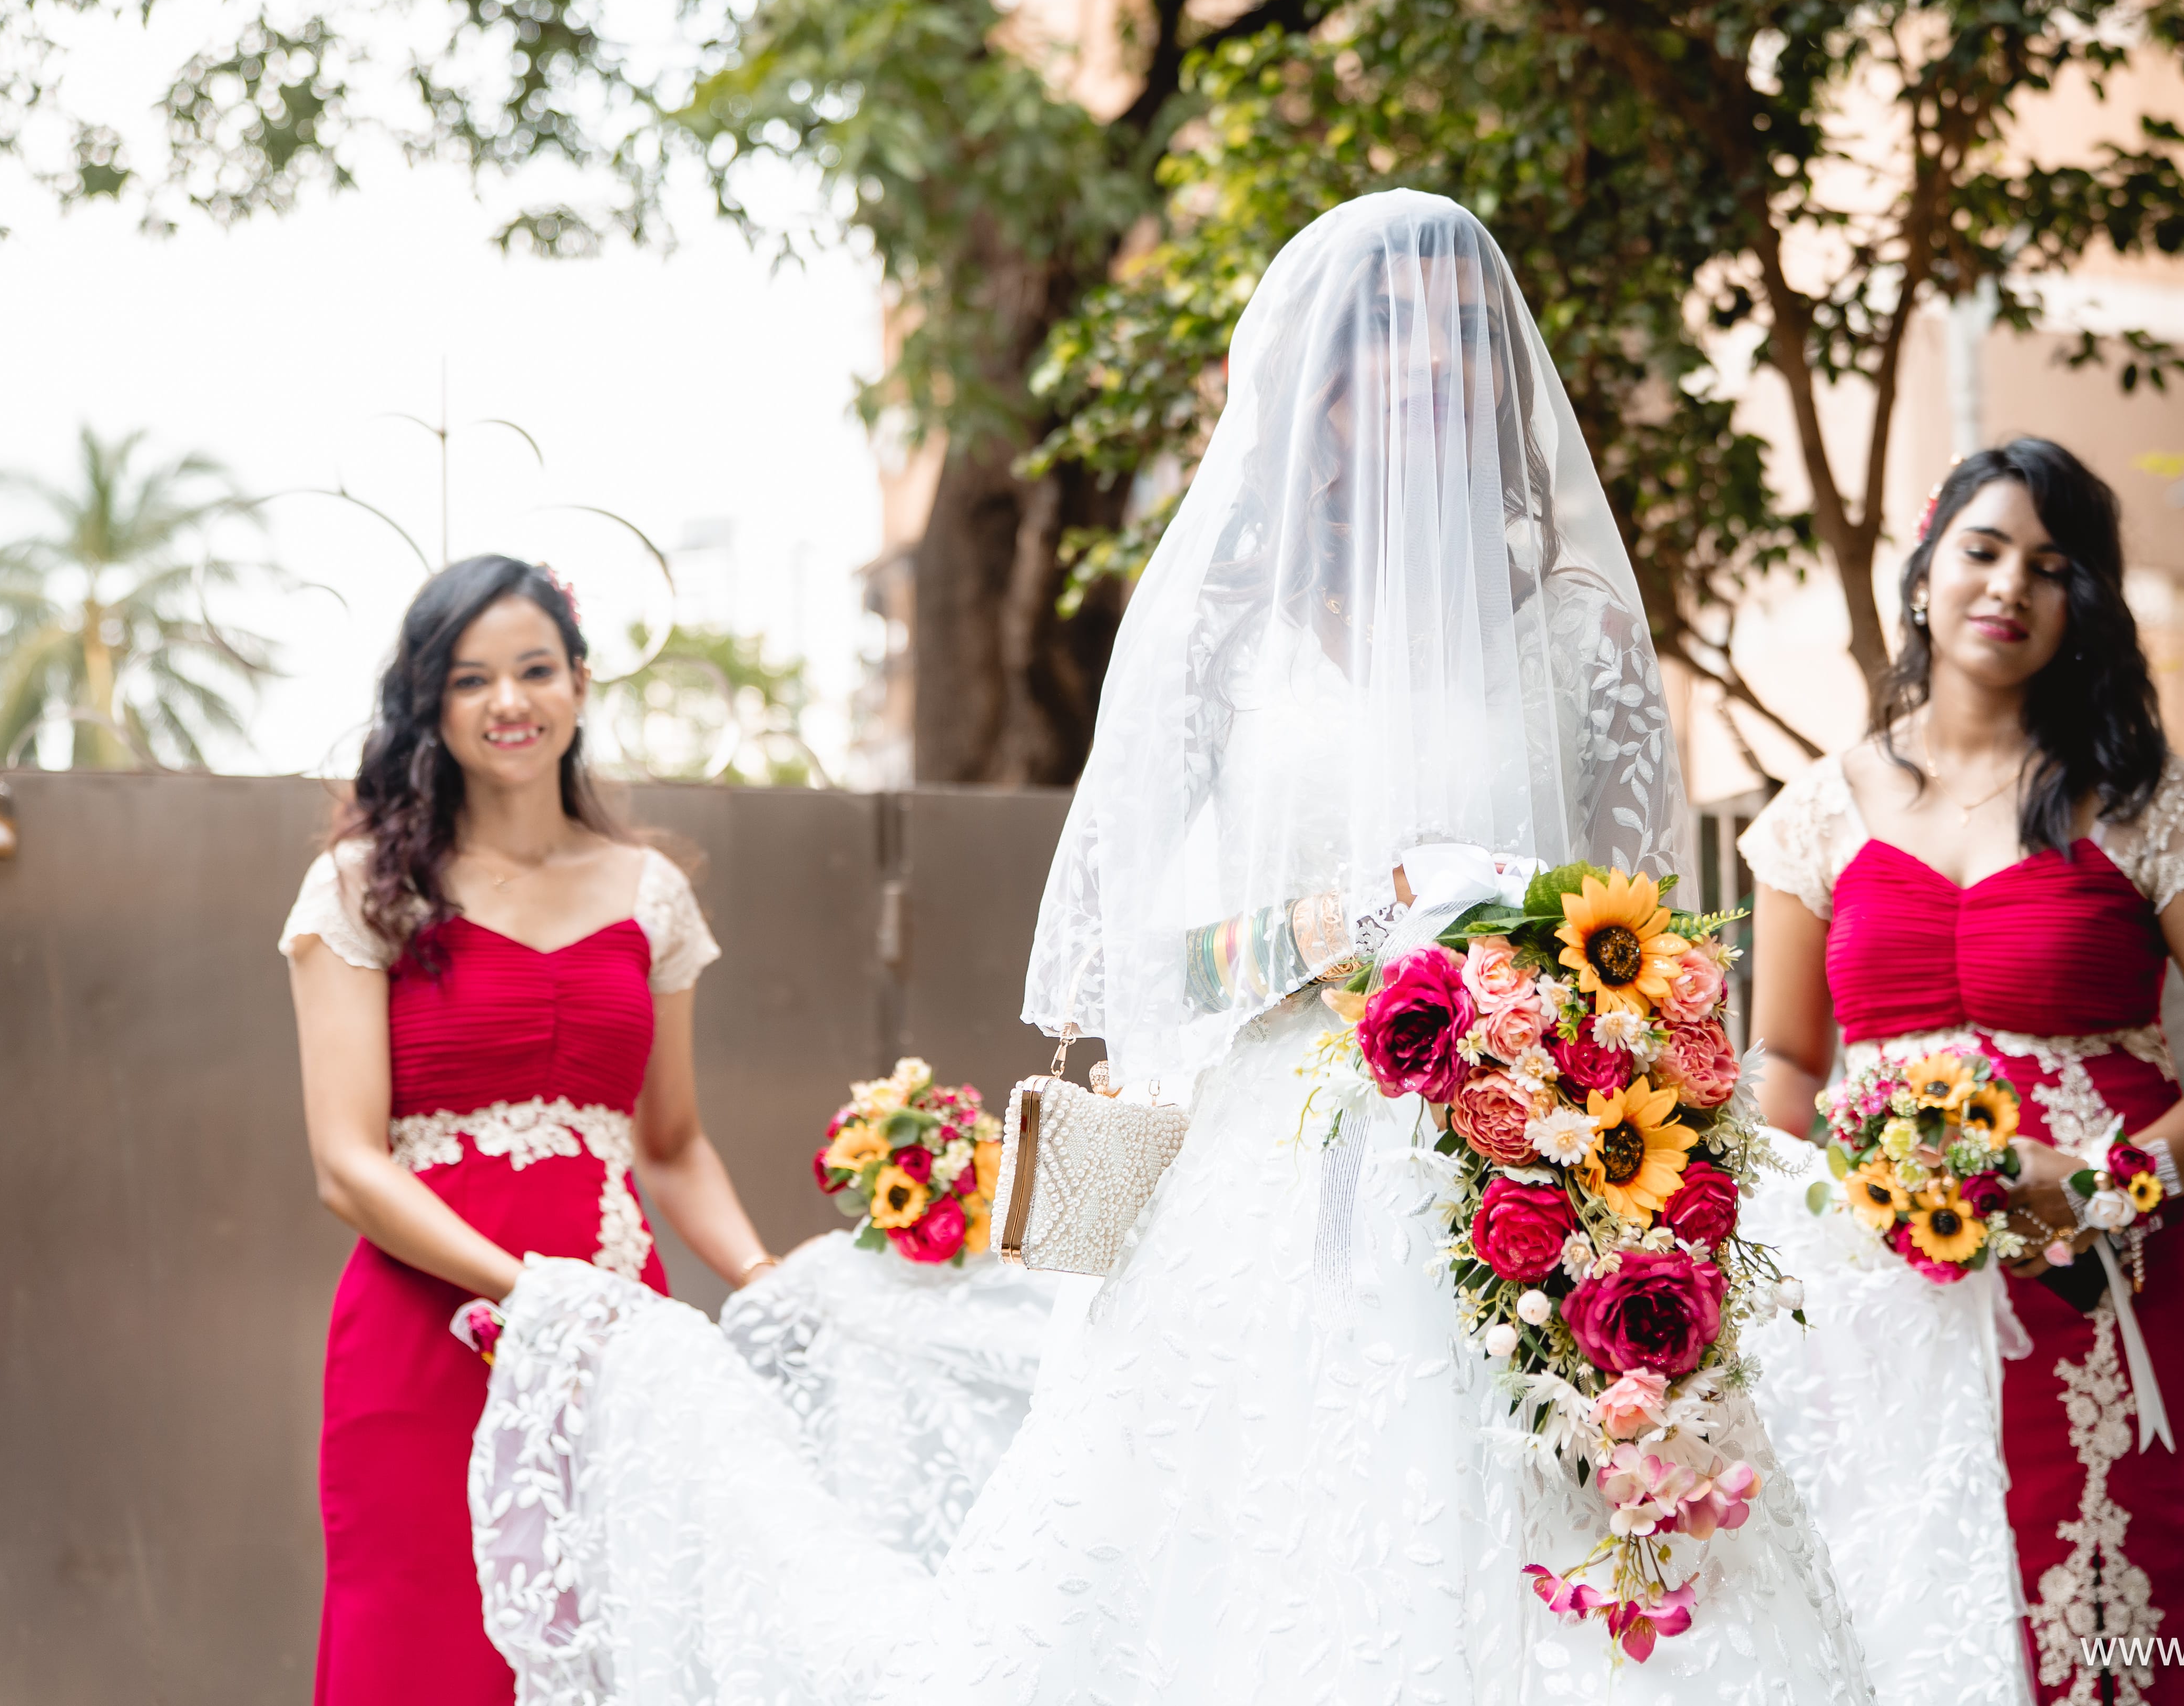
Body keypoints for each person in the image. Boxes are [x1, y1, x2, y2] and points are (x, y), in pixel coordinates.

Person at [467, 190, 1884, 1705]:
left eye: (1464, 333)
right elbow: (1131, 958)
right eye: (1388, 331)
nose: (1429, 361)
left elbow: (1649, 950)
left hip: (1535, 1172)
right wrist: (1343, 919)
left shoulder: (1582, 636)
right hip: (1275, 1175)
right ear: (1320, 384)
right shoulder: (1226, 631)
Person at [1739, 438, 2184, 1705]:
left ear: (2084, 603)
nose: (2009, 586)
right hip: (1882, 1283)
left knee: (2107, 1613)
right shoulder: (1813, 815)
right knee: (1896, 1605)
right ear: (1924, 571)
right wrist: (1800, 1219)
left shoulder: (2152, 804)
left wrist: (2108, 1183)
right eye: (1983, 550)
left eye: (2051, 568)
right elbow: (1784, 1061)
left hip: (2109, 1279)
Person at [280, 555, 776, 1705]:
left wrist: (765, 1281)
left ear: (580, 683)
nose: (509, 701)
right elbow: (346, 1164)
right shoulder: (361, 886)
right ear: (432, 705)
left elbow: (671, 1145)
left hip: (617, 1342)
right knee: (421, 1649)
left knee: (614, 1641)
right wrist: (533, 1296)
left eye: (535, 670)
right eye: (471, 679)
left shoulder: (651, 892)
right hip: (425, 1339)